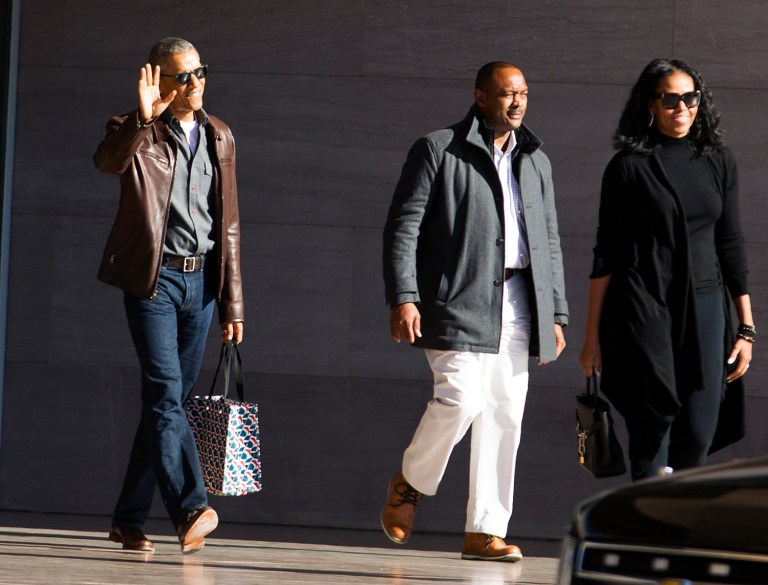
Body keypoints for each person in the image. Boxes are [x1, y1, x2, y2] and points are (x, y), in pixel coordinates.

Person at [381, 61, 568, 561]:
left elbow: (548, 240)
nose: (517, 102)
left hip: (518, 301)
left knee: (505, 414)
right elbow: (404, 227)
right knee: (461, 400)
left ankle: (485, 530)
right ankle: (409, 484)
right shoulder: (438, 149)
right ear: (481, 96)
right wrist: (404, 295)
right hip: (457, 298)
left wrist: (555, 312)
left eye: (523, 92)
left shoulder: (536, 160)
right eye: (507, 93)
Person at [94, 37, 244, 553]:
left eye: (199, 71)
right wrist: (142, 119)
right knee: (164, 393)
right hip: (153, 282)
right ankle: (191, 509)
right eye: (182, 76)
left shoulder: (220, 134)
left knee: (169, 403)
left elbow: (229, 226)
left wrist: (232, 302)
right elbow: (107, 162)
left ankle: (128, 519)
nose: (195, 83)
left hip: (201, 286)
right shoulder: (134, 130)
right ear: (160, 81)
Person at [578, 58, 753, 481]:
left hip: (707, 309)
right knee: (652, 428)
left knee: (699, 433)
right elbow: (607, 254)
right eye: (670, 99)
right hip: (644, 309)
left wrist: (746, 328)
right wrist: (592, 336)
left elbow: (731, 243)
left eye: (690, 98)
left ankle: (679, 516)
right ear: (650, 104)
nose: (682, 108)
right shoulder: (628, 166)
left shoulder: (719, 160)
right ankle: (647, 518)